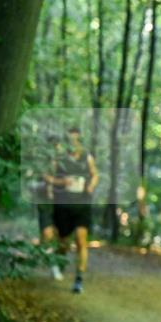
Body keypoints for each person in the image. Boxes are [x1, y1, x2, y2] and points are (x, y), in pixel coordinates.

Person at [47, 126, 98, 294]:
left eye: (76, 139)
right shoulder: (60, 159)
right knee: (63, 242)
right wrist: (61, 183)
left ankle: (79, 278)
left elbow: (95, 174)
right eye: (70, 139)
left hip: (82, 204)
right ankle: (59, 261)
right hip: (63, 205)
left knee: (81, 239)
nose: (73, 143)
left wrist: (91, 185)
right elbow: (47, 177)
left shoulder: (86, 157)